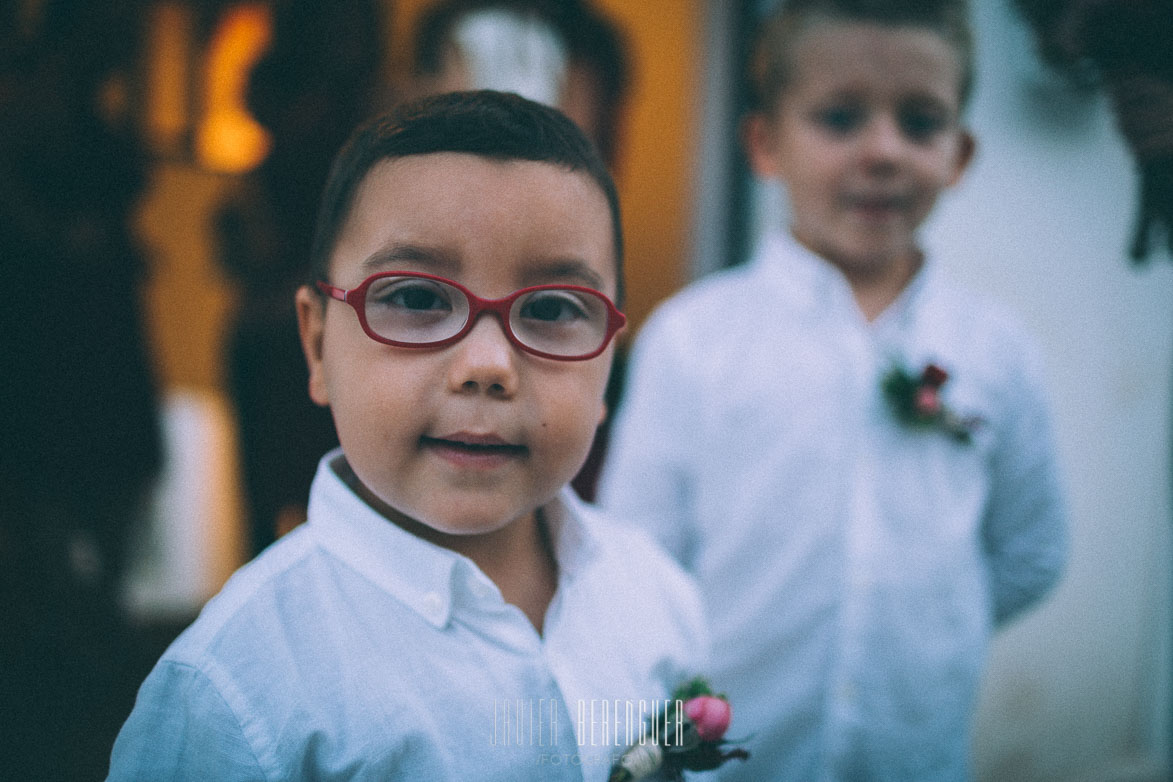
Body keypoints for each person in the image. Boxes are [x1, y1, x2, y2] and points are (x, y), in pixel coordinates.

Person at [107, 90, 705, 781]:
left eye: (550, 309)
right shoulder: (236, 690)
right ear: (317, 345)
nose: (487, 366)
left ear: (606, 362)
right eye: (417, 298)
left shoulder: (657, 597)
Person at [598, 1, 1068, 779]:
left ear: (959, 153)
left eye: (919, 123)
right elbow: (638, 554)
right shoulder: (693, 338)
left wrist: (931, 624)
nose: (882, 151)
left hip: (915, 752)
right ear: (763, 142)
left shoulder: (997, 350)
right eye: (840, 117)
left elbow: (1031, 550)